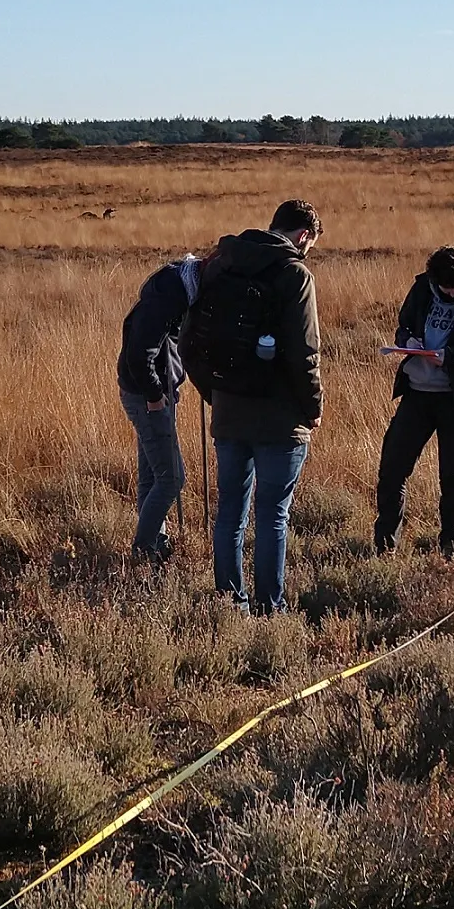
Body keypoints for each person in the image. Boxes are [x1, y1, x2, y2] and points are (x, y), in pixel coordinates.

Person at [186, 199, 322, 613]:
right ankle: (269, 608)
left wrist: (214, 393)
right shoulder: (295, 274)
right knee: (273, 515)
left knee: (230, 512)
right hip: (280, 418)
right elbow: (304, 353)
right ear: (303, 235)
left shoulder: (222, 263)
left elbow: (189, 339)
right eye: (310, 244)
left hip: (228, 410)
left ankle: (231, 604)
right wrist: (313, 407)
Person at [373, 246, 454, 558]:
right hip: (417, 395)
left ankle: (450, 553)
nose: (452, 293)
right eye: (446, 288)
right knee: (392, 470)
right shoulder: (423, 287)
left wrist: (450, 357)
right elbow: (404, 325)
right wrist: (408, 342)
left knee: (453, 478)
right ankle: (385, 548)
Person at [115, 246, 211, 562]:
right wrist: (155, 396)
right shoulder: (168, 296)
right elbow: (139, 354)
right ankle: (143, 552)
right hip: (148, 398)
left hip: (155, 392)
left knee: (153, 477)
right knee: (171, 479)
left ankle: (156, 545)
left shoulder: (181, 288)